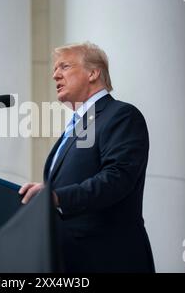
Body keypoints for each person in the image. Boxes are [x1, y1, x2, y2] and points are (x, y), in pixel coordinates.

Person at [19, 41, 155, 273]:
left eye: (64, 67)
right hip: (67, 263)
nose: (55, 76)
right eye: (54, 69)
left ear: (93, 73)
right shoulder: (73, 129)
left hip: (109, 259)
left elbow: (117, 178)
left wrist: (57, 197)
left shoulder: (121, 115)